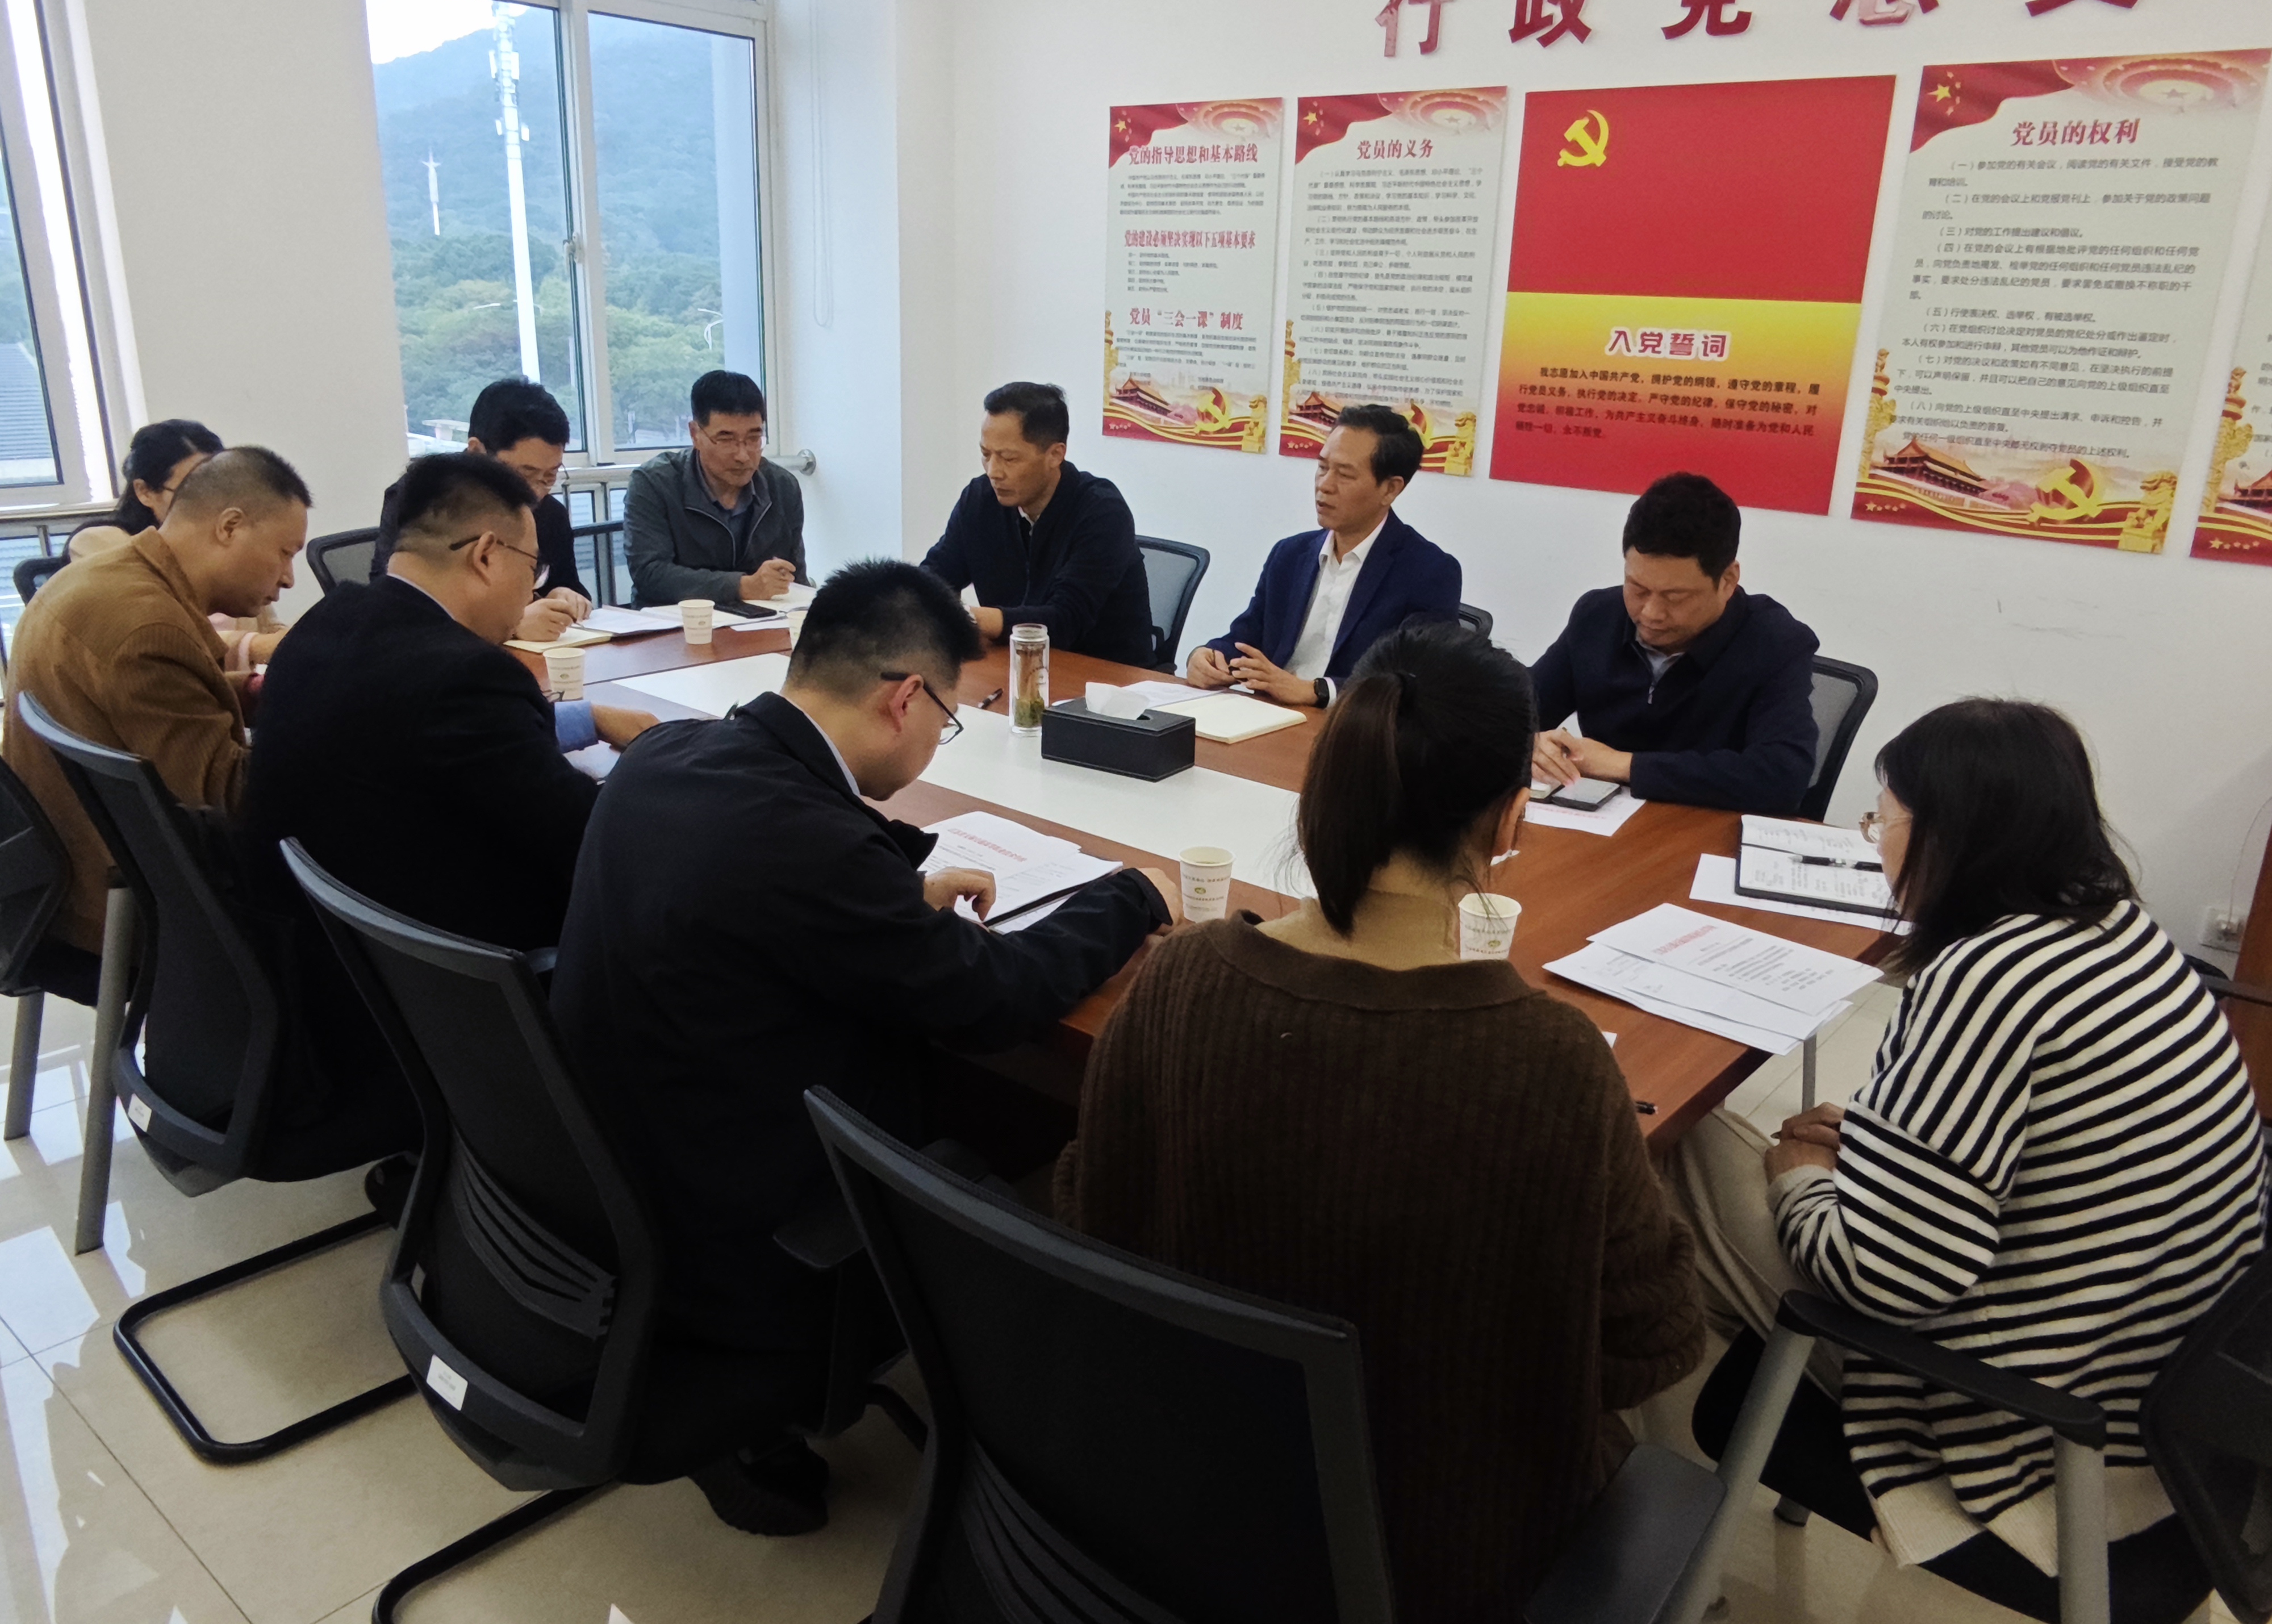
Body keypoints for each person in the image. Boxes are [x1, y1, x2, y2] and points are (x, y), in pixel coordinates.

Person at [1060, 620, 1705, 1618]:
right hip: (1444, 1560)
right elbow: (1649, 1340)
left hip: (1184, 1509)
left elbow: (1090, 1213)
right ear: (1512, 819)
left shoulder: (1181, 978)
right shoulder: (1553, 1060)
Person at [553, 558, 1174, 1536]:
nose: (938, 738)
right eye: (947, 717)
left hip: (621, 1174)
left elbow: (769, 881)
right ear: (904, 699)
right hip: (745, 1240)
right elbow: (994, 998)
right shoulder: (805, 844)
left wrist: (893, 893)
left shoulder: (674, 754)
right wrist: (1132, 895)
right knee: (1022, 1133)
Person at [1669, 699, 2266, 1622]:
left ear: (1947, 838)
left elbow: (1892, 1277)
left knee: (1681, 1137)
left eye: (1882, 821)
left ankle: (1624, 1506)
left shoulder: (1987, 979)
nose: (1876, 844)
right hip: (2153, 1382)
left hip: (2026, 1421)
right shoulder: (2119, 931)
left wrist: (1803, 1183)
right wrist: (1879, 1152)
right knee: (1738, 1153)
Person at [247, 450, 657, 955]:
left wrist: (585, 719)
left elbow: (415, 731)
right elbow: (587, 840)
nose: (533, 591)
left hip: (322, 942)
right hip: (460, 970)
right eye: (534, 568)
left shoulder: (324, 622)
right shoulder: (468, 675)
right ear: (486, 555)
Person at [3, 446, 308, 959]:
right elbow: (231, 799)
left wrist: (265, 691)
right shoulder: (148, 626)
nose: (288, 578)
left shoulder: (107, 577)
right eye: (285, 552)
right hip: (122, 913)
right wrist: (340, 735)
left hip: (59, 881)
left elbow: (177, 697)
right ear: (230, 527)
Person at [1529, 473, 1818, 813]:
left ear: (1728, 580)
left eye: (1675, 597)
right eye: (1637, 589)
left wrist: (1623, 765)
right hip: (1597, 827)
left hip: (1705, 830)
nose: (1651, 613)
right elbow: (1513, 711)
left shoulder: (1776, 642)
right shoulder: (1597, 617)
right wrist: (1532, 744)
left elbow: (1782, 777)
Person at [1186, 406, 1460, 707]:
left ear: (1390, 489)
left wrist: (1315, 691)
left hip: (1350, 725)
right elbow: (1247, 637)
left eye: (1345, 474)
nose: (1324, 485)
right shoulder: (1290, 554)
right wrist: (1208, 656)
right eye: (1322, 467)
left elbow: (1413, 680)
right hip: (1270, 713)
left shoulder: (1429, 571)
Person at [920, 381, 1154, 667]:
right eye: (986, 454)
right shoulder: (980, 499)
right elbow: (934, 576)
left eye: (1009, 458)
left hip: (1104, 677)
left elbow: (1065, 620)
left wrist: (969, 618)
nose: (994, 472)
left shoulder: (1102, 511)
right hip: (1015, 665)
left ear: (1055, 455)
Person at [369, 378, 593, 645]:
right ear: (477, 451)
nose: (536, 493)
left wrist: (564, 596)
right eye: (525, 475)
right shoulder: (422, 500)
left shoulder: (550, 513)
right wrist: (512, 624)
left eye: (550, 476)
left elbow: (569, 583)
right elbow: (395, 601)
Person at [69, 420, 287, 665]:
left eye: (219, 490)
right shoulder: (101, 544)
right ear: (145, 492)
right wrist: (253, 647)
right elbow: (152, 637)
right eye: (190, 492)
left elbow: (271, 629)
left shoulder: (228, 542)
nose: (212, 504)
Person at [623, 369, 807, 609]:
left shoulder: (782, 487)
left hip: (761, 622)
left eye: (754, 439)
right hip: (675, 623)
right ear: (695, 434)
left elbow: (796, 579)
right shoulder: (653, 484)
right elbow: (650, 574)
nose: (743, 456)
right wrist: (742, 586)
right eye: (726, 439)